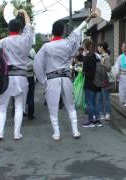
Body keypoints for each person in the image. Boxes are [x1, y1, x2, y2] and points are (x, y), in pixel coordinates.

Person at [34, 12, 97, 141]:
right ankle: (75, 131)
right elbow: (79, 29)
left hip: (52, 80)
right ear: (63, 31)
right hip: (66, 79)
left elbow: (37, 62)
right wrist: (89, 17)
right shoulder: (68, 43)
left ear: (52, 31)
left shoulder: (47, 46)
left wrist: (42, 79)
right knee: (70, 105)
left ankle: (56, 133)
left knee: (53, 107)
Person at [0, 9, 34, 141]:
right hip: (22, 76)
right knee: (19, 106)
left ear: (8, 28)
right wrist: (24, 13)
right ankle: (17, 133)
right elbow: (29, 26)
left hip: (6, 77)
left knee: (2, 106)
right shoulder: (26, 40)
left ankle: (0, 132)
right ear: (20, 29)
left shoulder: (2, 42)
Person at [81, 39, 103, 128]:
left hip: (89, 82)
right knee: (95, 102)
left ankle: (90, 121)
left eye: (83, 46)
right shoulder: (97, 56)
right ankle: (97, 120)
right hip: (97, 82)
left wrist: (82, 71)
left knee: (89, 102)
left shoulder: (87, 57)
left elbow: (85, 71)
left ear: (85, 47)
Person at [96, 42, 112, 121]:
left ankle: (108, 113)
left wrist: (101, 64)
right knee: (99, 98)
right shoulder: (100, 56)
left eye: (99, 47)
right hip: (99, 80)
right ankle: (101, 113)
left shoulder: (106, 57)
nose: (98, 48)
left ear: (102, 47)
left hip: (105, 80)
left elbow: (109, 68)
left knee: (106, 98)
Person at [25, 46, 36, 120]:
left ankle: (17, 112)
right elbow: (35, 63)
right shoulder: (32, 50)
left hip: (20, 75)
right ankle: (30, 113)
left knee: (18, 95)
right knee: (31, 95)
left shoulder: (19, 49)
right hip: (30, 75)